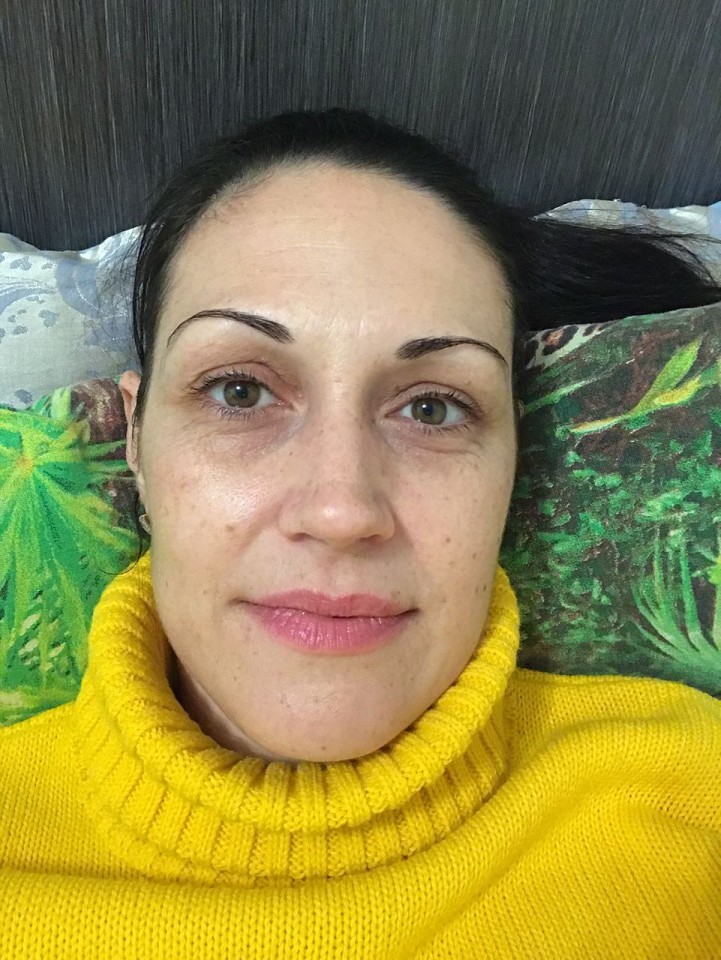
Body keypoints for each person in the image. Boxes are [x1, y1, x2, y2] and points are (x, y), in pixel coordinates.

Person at [1, 108, 720, 959]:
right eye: (239, 392)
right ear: (135, 442)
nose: (341, 512)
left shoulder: (688, 795)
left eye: (433, 408)